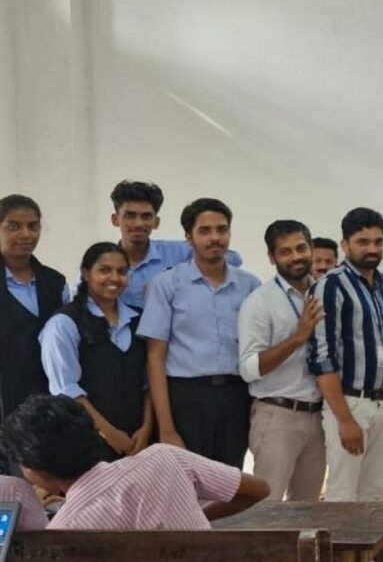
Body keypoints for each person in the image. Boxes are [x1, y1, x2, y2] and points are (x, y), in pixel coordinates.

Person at [0, 395, 268, 530]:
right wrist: (190, 517)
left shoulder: (64, 528)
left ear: (36, 471)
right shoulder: (164, 457)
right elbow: (259, 490)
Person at [137, 198, 261, 467]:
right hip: (186, 398)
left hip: (237, 396)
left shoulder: (250, 285)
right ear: (188, 237)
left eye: (222, 230)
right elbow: (155, 358)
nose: (215, 238)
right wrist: (166, 428)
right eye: (205, 231)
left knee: (230, 479)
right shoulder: (166, 284)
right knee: (187, 479)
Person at [309, 207, 383, 503]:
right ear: (345, 245)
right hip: (350, 403)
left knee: (374, 494)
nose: (372, 249)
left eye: (378, 242)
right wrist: (344, 419)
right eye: (363, 242)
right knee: (342, 495)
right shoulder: (330, 286)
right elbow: (322, 359)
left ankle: (368, 543)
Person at [237, 220, 326, 501]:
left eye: (301, 248)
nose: (295, 256)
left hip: (319, 415)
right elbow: (248, 369)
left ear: (311, 248)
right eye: (285, 251)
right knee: (267, 508)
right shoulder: (260, 302)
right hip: (277, 415)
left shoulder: (324, 294)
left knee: (307, 509)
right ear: (271, 257)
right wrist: (297, 338)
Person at [40, 243, 153, 461]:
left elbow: (148, 383)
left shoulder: (138, 319)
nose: (115, 278)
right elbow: (66, 390)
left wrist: (147, 428)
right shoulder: (64, 323)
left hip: (139, 442)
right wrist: (108, 433)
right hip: (87, 443)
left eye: (122, 271)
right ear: (86, 274)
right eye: (104, 270)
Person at [108, 180, 242, 309]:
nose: (138, 224)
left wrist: (172, 281)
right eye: (130, 216)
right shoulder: (105, 262)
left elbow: (233, 259)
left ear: (156, 222)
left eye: (146, 216)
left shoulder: (179, 252)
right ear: (115, 219)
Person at [0, 195, 68, 441]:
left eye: (33, 226)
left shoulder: (55, 282)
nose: (26, 234)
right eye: (14, 226)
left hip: (46, 394)